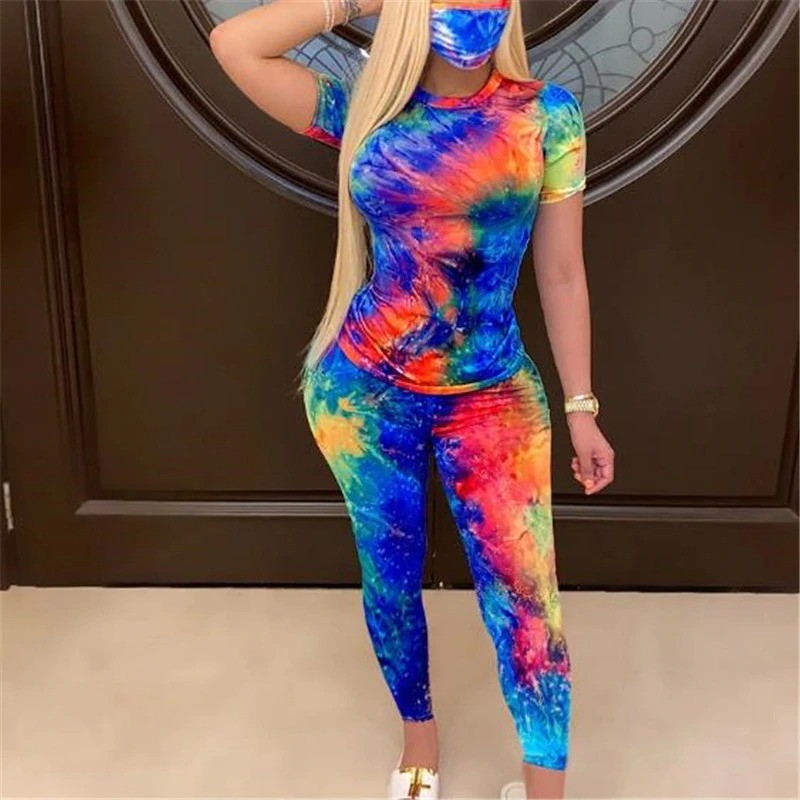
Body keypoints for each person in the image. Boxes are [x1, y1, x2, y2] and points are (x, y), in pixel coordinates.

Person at [210, 1, 615, 797]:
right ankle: (419, 744)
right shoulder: (367, 109)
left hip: (492, 395)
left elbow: (563, 273)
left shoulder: (546, 118)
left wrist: (582, 408)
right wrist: (360, 2)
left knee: (528, 606)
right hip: (365, 395)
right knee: (390, 580)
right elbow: (234, 45)